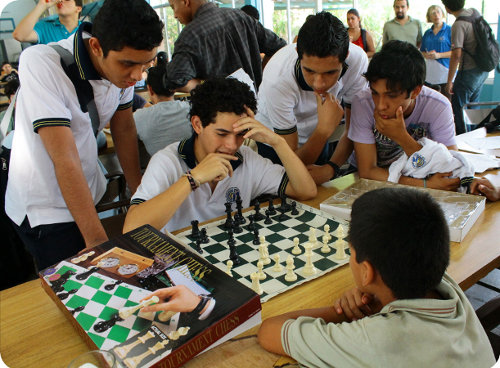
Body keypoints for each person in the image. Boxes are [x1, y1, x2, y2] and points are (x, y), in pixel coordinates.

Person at [258, 187, 496, 367]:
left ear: (367, 271)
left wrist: (341, 313)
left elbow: (269, 331)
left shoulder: (377, 340)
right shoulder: (445, 285)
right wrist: (377, 297)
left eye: (350, 253)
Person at [5, 0, 164, 271]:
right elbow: (64, 157)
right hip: (47, 207)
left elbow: (123, 128)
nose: (137, 75)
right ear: (96, 47)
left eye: (146, 64)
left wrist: (138, 191)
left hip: (87, 190)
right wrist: (96, 241)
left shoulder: (123, 72)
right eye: (128, 64)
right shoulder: (43, 63)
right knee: (76, 285)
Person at [123, 77, 317, 233]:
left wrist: (277, 142)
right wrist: (193, 179)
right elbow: (131, 228)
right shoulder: (167, 161)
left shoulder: (247, 158)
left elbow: (306, 191)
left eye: (241, 134)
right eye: (222, 134)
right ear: (197, 124)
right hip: (178, 264)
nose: (232, 145)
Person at [255, 12, 368, 184]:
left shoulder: (357, 61)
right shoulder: (277, 80)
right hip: (275, 140)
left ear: (345, 57)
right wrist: (322, 131)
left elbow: (354, 129)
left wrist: (331, 168)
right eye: (309, 71)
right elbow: (292, 163)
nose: (319, 83)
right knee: (285, 193)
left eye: (330, 72)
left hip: (319, 128)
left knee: (320, 187)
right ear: (297, 53)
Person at [348, 40, 460, 191]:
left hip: (412, 178)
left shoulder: (438, 106)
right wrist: (425, 185)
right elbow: (368, 172)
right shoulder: (363, 103)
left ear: (415, 91)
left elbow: (451, 170)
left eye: (392, 96)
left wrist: (402, 137)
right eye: (375, 93)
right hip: (371, 184)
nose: (381, 105)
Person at [164, 0, 286, 92]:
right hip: (257, 109)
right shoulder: (242, 17)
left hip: (220, 117)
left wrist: (207, 85)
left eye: (173, 6)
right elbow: (279, 47)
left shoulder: (190, 35)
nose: (174, 15)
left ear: (186, 1)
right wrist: (261, 74)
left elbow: (175, 81)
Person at [441, 0, 489, 135]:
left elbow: (456, 54)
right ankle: (475, 138)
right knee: (473, 107)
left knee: (459, 109)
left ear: (447, 8)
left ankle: (463, 142)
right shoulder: (474, 12)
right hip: (482, 70)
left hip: (467, 73)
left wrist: (449, 81)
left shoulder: (458, 24)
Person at [133, 60, 192, 156]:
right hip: (196, 168)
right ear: (174, 87)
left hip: (161, 169)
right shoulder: (191, 109)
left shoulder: (138, 117)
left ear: (150, 89)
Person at [13, 0, 82, 44]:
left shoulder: (86, 29)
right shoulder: (44, 28)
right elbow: (19, 36)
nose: (61, 1)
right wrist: (41, 6)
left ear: (78, 8)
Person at [421, 5, 452, 98]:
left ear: (442, 14)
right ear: (429, 17)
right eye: (433, 13)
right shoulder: (427, 33)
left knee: (446, 101)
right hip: (430, 74)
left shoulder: (449, 30)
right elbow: (422, 51)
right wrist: (426, 55)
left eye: (438, 12)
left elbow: (456, 53)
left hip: (445, 74)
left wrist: (439, 55)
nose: (436, 15)